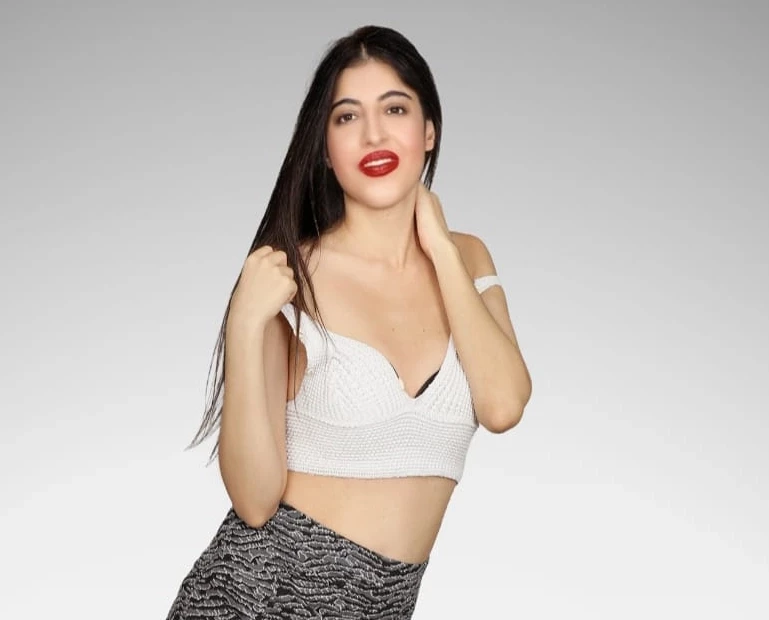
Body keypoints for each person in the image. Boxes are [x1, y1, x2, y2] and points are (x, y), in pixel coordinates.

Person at [165, 24, 532, 619]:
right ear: (325, 147)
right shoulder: (293, 278)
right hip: (257, 599)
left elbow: (504, 405)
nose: (374, 134)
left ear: (429, 129)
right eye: (347, 117)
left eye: (395, 108)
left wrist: (440, 247)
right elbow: (255, 502)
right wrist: (244, 323)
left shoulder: (467, 258)